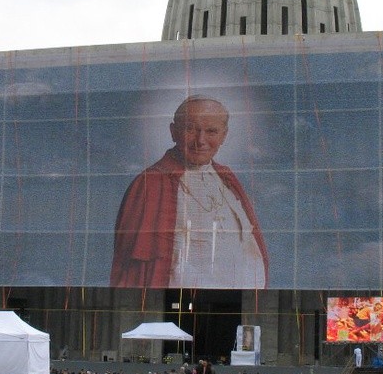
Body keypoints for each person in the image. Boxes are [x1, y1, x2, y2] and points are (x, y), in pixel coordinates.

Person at [110, 95, 269, 290]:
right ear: (173, 132)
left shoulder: (227, 179)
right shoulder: (149, 184)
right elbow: (133, 270)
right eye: (190, 129)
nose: (200, 141)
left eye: (211, 131)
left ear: (224, 136)